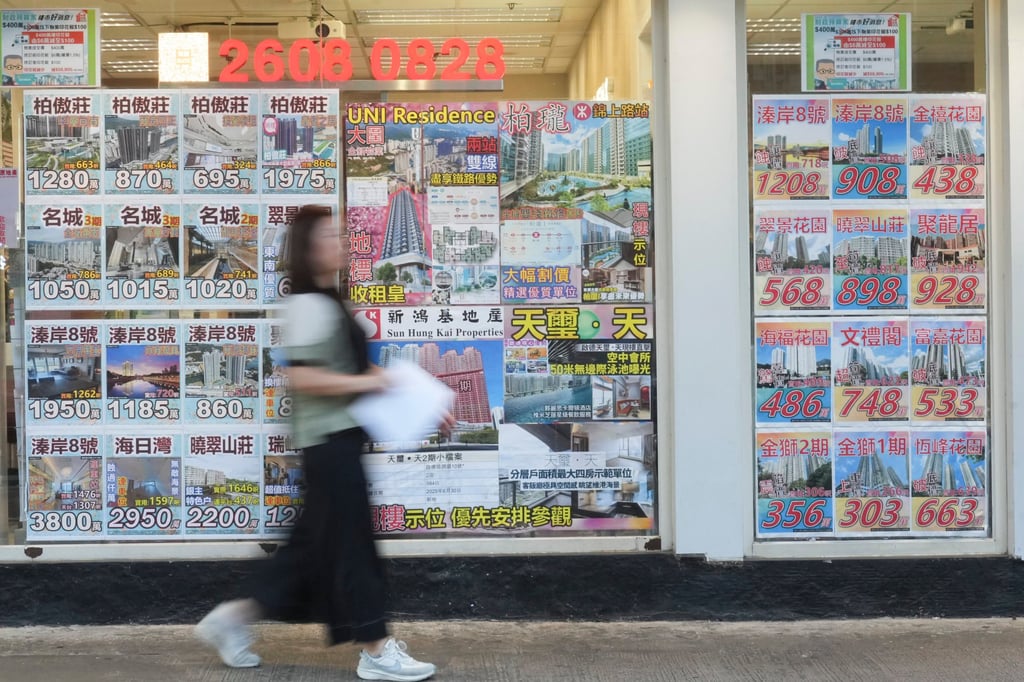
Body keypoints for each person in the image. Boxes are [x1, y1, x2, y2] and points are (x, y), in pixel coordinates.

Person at [196, 205, 437, 682]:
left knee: (309, 552)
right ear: (309, 249)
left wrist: (421, 396)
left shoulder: (330, 300)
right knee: (353, 547)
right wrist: (373, 384)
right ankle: (376, 648)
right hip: (328, 443)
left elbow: (355, 370)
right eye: (331, 235)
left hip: (338, 440)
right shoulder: (308, 304)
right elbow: (303, 376)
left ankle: (231, 619)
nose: (342, 240)